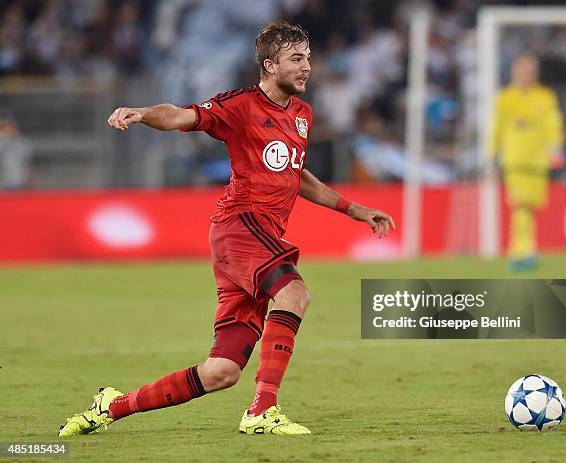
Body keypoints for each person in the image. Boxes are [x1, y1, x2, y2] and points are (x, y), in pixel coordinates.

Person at [58, 21, 395, 437]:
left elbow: (296, 174)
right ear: (270, 66)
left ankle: (113, 405)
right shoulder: (240, 105)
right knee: (294, 292)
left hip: (259, 238)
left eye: (307, 57)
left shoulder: (303, 114)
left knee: (222, 371)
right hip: (240, 226)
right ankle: (261, 411)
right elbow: (182, 115)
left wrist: (354, 209)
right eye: (296, 59)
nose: (307, 66)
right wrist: (142, 113)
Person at [487, 54, 564, 271]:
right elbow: (497, 128)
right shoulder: (505, 98)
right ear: (515, 72)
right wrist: (492, 156)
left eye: (530, 70)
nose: (526, 74)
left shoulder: (545, 96)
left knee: (528, 207)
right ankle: (522, 251)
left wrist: (556, 149)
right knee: (520, 203)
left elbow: (554, 124)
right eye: (522, 70)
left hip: (538, 161)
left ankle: (523, 250)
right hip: (514, 160)